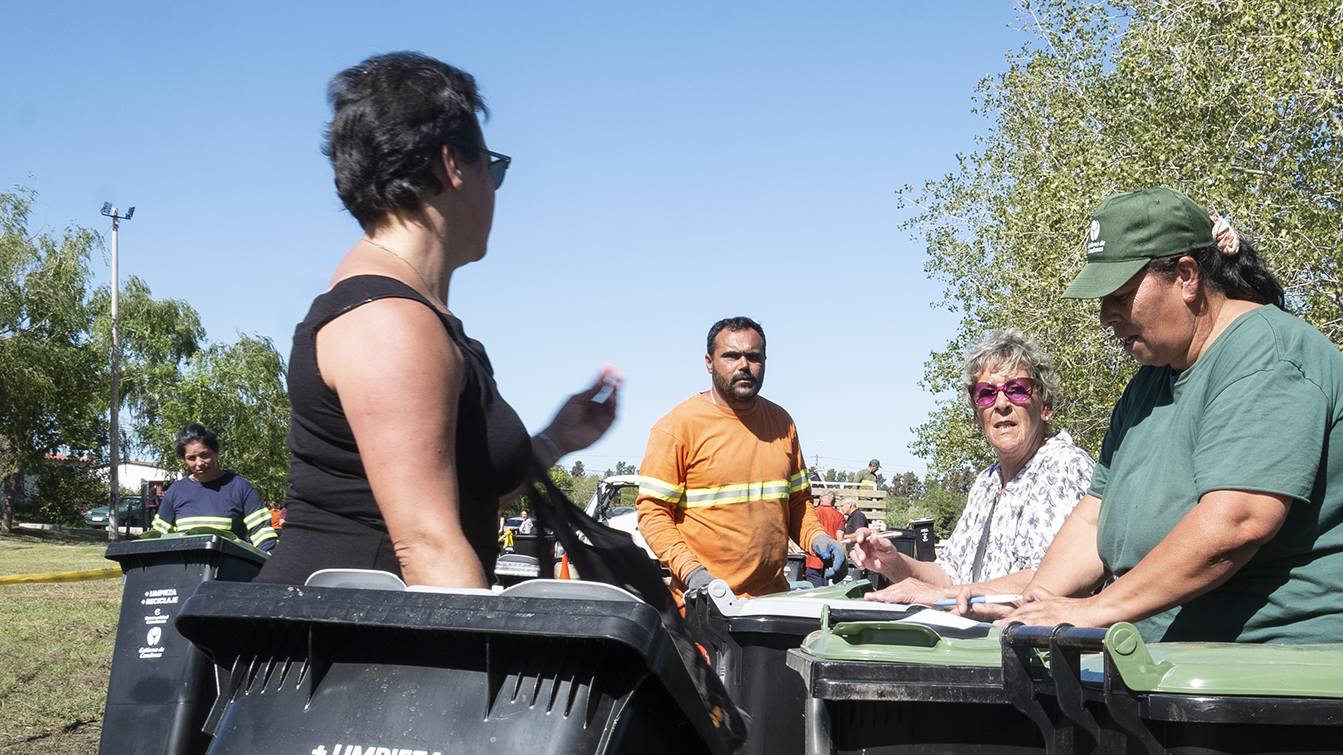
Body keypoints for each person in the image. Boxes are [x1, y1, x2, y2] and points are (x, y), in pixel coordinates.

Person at [979, 186, 1343, 648]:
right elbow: (1092, 521)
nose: (1106, 316)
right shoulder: (1150, 382)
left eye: (1120, 296)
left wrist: (1095, 610)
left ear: (1186, 276)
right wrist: (1037, 603)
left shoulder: (1268, 355)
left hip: (1326, 653)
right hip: (1199, 667)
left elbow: (1237, 522)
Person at [255, 52, 618, 588]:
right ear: (452, 164)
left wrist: (553, 441)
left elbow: (468, 492)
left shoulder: (417, 316)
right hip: (341, 653)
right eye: (491, 167)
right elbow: (426, 546)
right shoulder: (388, 322)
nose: (494, 190)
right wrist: (484, 667)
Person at [850, 330, 1093, 604]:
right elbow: (950, 576)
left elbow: (1050, 580)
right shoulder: (986, 482)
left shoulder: (1064, 467)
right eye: (987, 394)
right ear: (977, 415)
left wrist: (942, 596)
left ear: (1045, 406)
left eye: (1017, 389)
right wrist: (892, 562)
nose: (1001, 404)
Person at [637, 316, 843, 603]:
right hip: (703, 607)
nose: (744, 365)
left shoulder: (783, 424)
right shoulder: (676, 428)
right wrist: (692, 571)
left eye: (753, 357)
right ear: (709, 362)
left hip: (771, 605)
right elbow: (653, 513)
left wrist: (818, 538)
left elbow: (797, 504)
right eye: (731, 356)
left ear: (765, 361)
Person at [150, 424, 278, 552]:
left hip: (231, 569)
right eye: (191, 458)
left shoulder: (241, 488)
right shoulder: (175, 491)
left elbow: (263, 537)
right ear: (184, 459)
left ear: (216, 451)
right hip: (184, 570)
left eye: (204, 455)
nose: (199, 463)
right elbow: (156, 538)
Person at [804, 492, 847, 587]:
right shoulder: (839, 516)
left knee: (813, 592)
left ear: (820, 498)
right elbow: (840, 538)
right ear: (834, 502)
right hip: (832, 561)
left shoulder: (813, 513)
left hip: (814, 559)